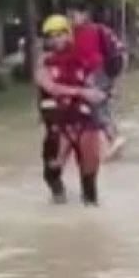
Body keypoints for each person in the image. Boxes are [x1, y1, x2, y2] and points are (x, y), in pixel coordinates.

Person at [36, 14, 107, 205]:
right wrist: (82, 92)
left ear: (69, 35)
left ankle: (90, 212)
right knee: (52, 172)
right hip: (58, 123)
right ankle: (58, 198)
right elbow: (50, 87)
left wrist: (100, 91)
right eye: (52, 36)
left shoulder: (84, 57)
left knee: (90, 176)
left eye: (61, 34)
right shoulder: (44, 63)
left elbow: (98, 81)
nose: (57, 39)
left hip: (83, 119)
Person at [67, 1, 126, 156]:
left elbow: (85, 57)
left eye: (73, 15)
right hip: (105, 72)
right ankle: (109, 140)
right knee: (100, 106)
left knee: (95, 106)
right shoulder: (96, 30)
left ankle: (113, 138)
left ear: (84, 15)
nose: (71, 19)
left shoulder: (84, 32)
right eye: (69, 16)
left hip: (96, 73)